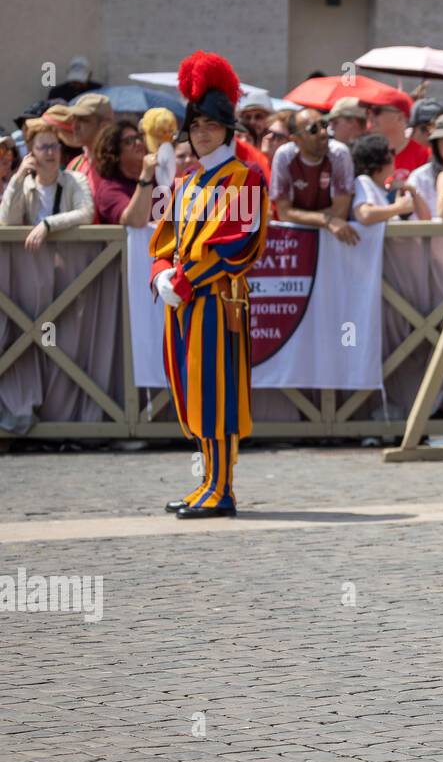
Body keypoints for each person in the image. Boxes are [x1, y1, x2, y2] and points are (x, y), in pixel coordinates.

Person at [148, 51, 269, 519]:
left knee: (217, 394)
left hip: (217, 302)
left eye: (211, 124)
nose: (202, 132)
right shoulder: (182, 182)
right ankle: (207, 481)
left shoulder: (246, 178)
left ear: (227, 129)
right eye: (196, 124)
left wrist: (182, 278)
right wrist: (159, 274)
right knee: (190, 393)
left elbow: (235, 245)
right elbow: (159, 235)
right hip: (180, 301)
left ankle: (222, 486)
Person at [0, 118, 94, 251]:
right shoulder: (25, 184)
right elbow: (8, 221)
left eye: (54, 146)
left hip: (71, 264)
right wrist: (18, 177)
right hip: (35, 265)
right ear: (31, 153)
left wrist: (48, 224)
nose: (51, 152)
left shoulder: (76, 180)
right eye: (44, 147)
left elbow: (86, 214)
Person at [270, 107, 359, 244]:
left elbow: (340, 212)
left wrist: (300, 216)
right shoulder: (284, 157)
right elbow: (284, 213)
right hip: (296, 239)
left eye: (324, 124)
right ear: (296, 139)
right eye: (313, 129)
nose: (323, 133)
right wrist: (327, 220)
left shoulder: (339, 154)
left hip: (334, 239)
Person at [88, 119, 154, 227]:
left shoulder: (156, 176)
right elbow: (136, 220)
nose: (138, 143)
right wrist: (146, 177)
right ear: (114, 152)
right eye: (129, 141)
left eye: (139, 138)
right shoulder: (109, 190)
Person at [350, 133, 420, 224]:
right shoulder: (363, 181)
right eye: (390, 151)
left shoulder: (380, 188)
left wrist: (411, 191)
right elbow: (364, 215)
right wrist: (399, 207)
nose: (394, 156)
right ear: (378, 159)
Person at [368, 94, 428, 185]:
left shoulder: (425, 155)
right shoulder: (366, 153)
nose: (370, 117)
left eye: (377, 111)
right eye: (369, 112)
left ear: (400, 117)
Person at [66, 92, 114, 175]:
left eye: (83, 120)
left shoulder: (118, 165)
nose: (75, 126)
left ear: (104, 126)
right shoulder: (74, 165)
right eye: (74, 119)